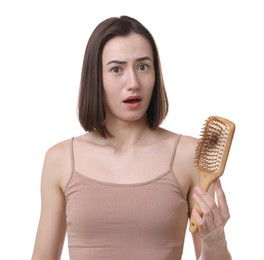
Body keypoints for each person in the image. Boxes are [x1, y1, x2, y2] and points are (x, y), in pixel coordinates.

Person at [31, 16, 232, 260]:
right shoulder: (60, 159)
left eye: (143, 66)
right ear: (96, 78)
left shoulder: (188, 155)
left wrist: (214, 239)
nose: (133, 83)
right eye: (116, 69)